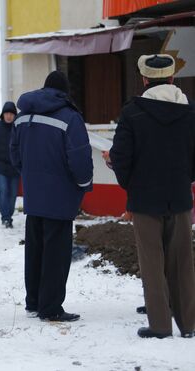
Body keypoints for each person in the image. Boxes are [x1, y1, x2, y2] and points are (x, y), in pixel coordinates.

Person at [110, 54, 195, 339]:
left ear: (145, 80)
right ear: (172, 79)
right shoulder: (190, 111)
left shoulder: (132, 112)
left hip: (145, 200)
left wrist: (130, 185)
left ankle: (159, 325)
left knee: (152, 263)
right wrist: (185, 179)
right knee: (183, 262)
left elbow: (121, 156)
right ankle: (189, 324)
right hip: (180, 197)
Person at [11, 71, 93, 322]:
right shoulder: (70, 117)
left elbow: (14, 155)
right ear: (65, 92)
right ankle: (51, 307)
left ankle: (34, 301)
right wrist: (84, 183)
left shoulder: (22, 117)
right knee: (56, 254)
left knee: (34, 250)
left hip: (34, 196)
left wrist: (30, 177)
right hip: (60, 197)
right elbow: (79, 157)